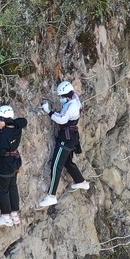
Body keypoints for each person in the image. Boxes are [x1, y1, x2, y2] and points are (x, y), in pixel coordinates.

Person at [36, 80, 87, 208]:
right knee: (67, 162)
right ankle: (81, 181)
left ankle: (51, 196)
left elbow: (62, 119)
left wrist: (49, 112)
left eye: (61, 97)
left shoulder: (72, 106)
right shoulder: (74, 99)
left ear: (67, 95)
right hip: (72, 137)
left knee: (56, 165)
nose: (60, 99)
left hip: (66, 138)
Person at [0, 105, 26, 226]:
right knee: (13, 187)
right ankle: (14, 215)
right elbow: (23, 121)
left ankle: (5, 216)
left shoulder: (5, 134)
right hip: (14, 162)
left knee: (3, 190)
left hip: (5, 165)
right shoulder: (17, 126)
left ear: (3, 120)